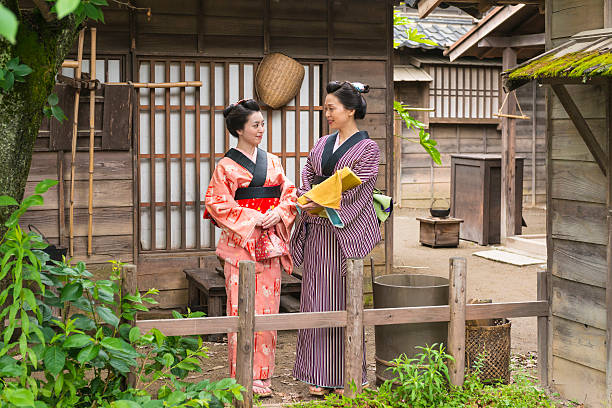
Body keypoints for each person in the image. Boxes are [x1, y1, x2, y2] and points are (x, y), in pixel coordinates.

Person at [290, 81, 382, 395]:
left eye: (332, 108)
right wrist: (308, 199)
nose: (326, 113)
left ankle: (350, 374)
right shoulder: (322, 143)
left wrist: (325, 202)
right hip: (317, 231)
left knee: (343, 301)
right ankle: (318, 374)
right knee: (315, 298)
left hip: (342, 233)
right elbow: (307, 174)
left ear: (351, 110)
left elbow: (360, 190)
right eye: (326, 107)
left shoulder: (367, 148)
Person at [204, 99, 298, 397]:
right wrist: (254, 217)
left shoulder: (271, 161)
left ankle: (262, 378)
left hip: (270, 243)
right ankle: (241, 375)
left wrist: (280, 212)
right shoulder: (226, 166)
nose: (261, 130)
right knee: (241, 309)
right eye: (255, 125)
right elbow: (216, 203)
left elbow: (290, 193)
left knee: (267, 313)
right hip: (241, 247)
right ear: (238, 130)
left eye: (262, 124)